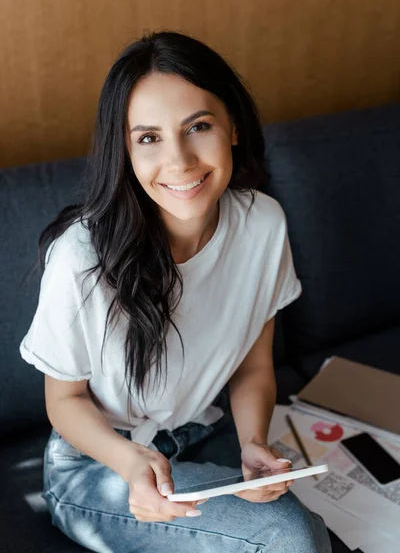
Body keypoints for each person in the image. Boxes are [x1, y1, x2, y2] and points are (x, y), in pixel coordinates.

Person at [20, 30, 331, 553]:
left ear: (231, 125)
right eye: (148, 138)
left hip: (204, 430)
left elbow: (254, 366)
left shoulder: (263, 224)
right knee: (289, 535)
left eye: (199, 126)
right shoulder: (81, 258)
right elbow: (65, 400)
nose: (180, 160)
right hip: (99, 461)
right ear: (125, 150)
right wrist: (128, 464)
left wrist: (254, 439)